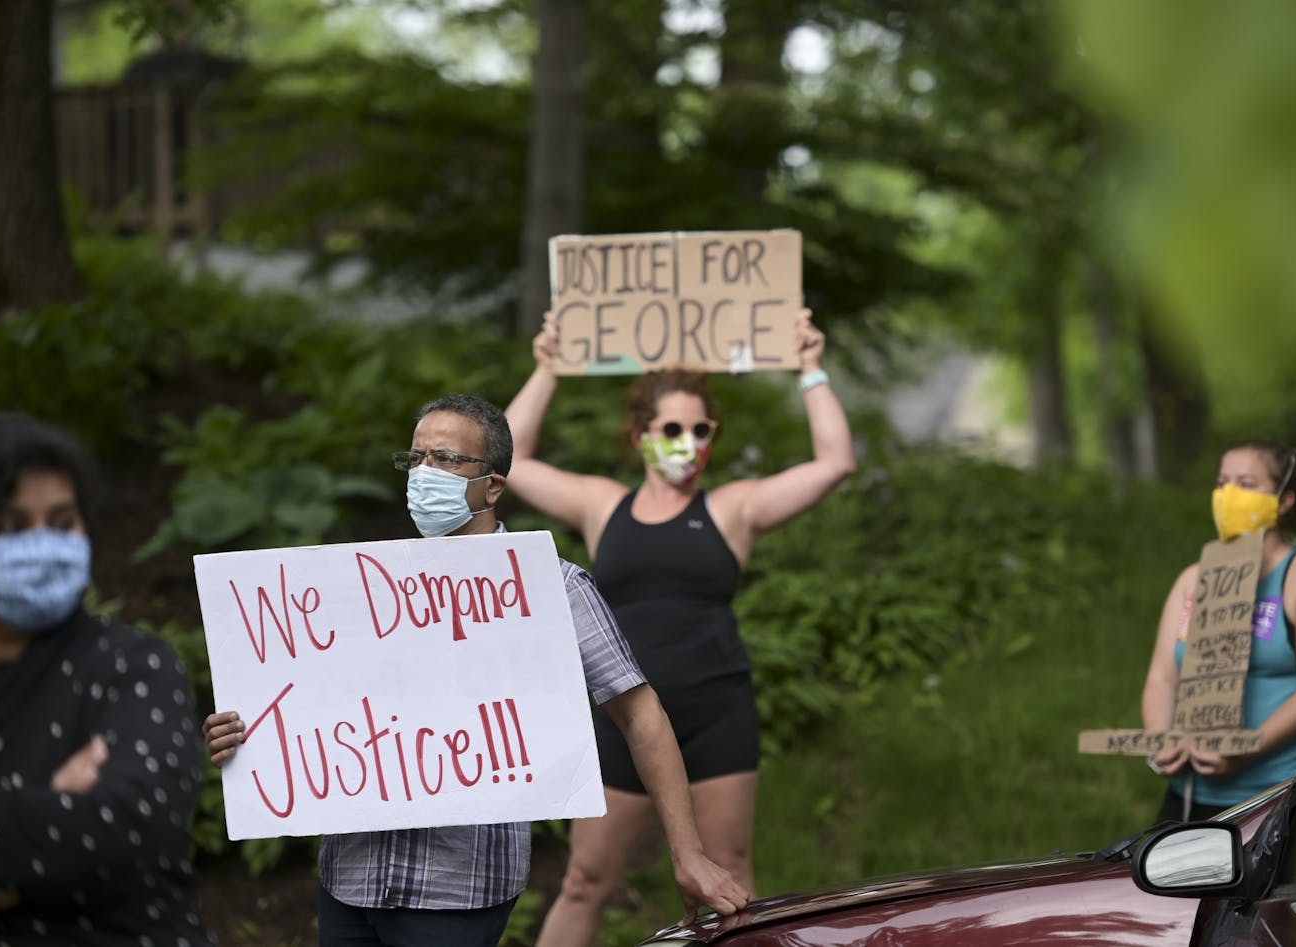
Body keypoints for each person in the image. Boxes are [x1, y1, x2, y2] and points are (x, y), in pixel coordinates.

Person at [202, 393, 748, 947]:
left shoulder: (551, 589)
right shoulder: (358, 594)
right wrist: (246, 734)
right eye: (415, 459)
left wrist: (689, 853)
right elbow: (310, 712)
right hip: (352, 877)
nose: (424, 474)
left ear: (492, 486)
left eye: (444, 459)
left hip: (457, 889)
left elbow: (640, 714)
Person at [504, 309, 855, 946]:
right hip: (625, 715)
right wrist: (547, 368)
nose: (688, 441)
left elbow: (834, 463)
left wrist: (810, 369)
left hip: (717, 711)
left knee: (733, 881)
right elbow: (510, 459)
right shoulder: (600, 504)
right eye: (672, 427)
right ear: (640, 434)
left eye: (701, 429)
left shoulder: (733, 509)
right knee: (585, 879)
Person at [0, 414, 213, 946]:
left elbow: (130, 826)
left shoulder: (134, 666)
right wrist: (48, 803)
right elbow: (75, 836)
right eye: (11, 527)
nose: (42, 543)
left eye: (62, 521)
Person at [1142, 440, 1296, 823]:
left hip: (1280, 798)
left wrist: (1248, 748)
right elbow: (1161, 675)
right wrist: (1161, 739)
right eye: (1222, 483)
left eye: (1245, 483)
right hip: (1189, 798)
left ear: (1284, 500)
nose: (1228, 495)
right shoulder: (1195, 579)